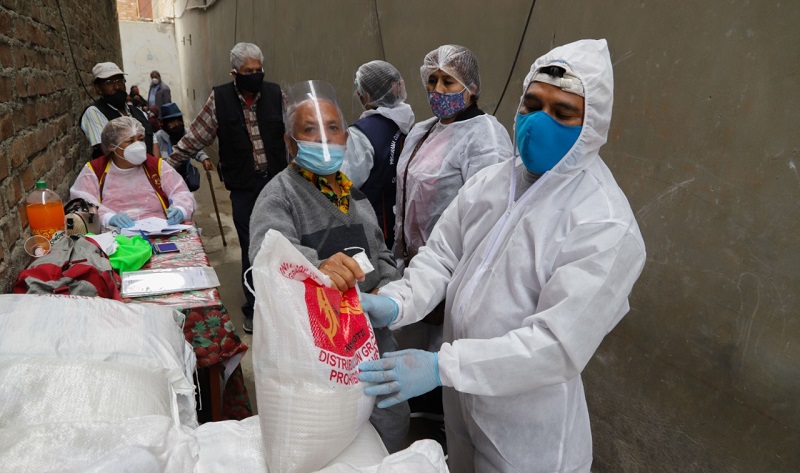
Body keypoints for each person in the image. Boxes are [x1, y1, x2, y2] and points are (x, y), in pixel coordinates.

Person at [357, 39, 647, 473]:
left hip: (525, 426)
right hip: (461, 399)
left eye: (563, 112)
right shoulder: (494, 182)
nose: (539, 122)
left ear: (593, 124)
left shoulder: (603, 223)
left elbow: (555, 346)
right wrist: (399, 301)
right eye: (532, 103)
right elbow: (441, 256)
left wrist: (441, 365)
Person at [248, 80, 409, 453]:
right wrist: (319, 266)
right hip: (319, 356)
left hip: (371, 343)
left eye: (333, 128)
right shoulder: (279, 196)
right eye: (310, 129)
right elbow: (267, 257)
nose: (324, 138)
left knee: (390, 426)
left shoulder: (354, 195)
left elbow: (381, 254)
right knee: (329, 439)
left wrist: (389, 286)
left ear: (346, 138)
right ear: (290, 143)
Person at [392, 44, 513, 431]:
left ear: (472, 87)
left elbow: (492, 215)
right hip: (417, 263)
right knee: (415, 349)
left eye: (449, 81)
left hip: (457, 266)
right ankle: (420, 421)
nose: (438, 90)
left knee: (445, 356)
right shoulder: (422, 131)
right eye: (432, 81)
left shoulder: (484, 136)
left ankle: (442, 430)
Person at [167, 42, 287, 334]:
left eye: (259, 70)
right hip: (244, 188)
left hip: (277, 184)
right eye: (249, 71)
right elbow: (195, 136)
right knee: (252, 246)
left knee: (284, 243)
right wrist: (163, 167)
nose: (255, 75)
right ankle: (255, 307)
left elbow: (294, 130)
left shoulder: (275, 94)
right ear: (235, 73)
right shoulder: (219, 100)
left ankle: (284, 304)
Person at [70, 116, 196, 229]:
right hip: (114, 235)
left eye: (140, 139)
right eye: (130, 141)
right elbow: (81, 202)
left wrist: (181, 209)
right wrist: (108, 217)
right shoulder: (95, 170)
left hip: (160, 229)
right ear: (112, 146)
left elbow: (181, 192)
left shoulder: (157, 166)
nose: (138, 145)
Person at [340, 60, 414, 249]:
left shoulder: (361, 135)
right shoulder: (409, 125)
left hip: (372, 232)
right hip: (405, 225)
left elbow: (342, 185)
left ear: (364, 96)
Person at [80, 62, 159, 159]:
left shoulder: (138, 112)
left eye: (119, 80)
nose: (117, 86)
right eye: (109, 82)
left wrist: (155, 169)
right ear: (98, 88)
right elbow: (108, 152)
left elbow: (153, 142)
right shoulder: (94, 113)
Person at [155, 102, 206, 191]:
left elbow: (195, 148)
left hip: (183, 171)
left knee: (192, 185)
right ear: (164, 124)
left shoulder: (185, 133)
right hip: (167, 175)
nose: (177, 124)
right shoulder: (159, 137)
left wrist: (204, 159)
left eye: (179, 120)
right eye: (172, 122)